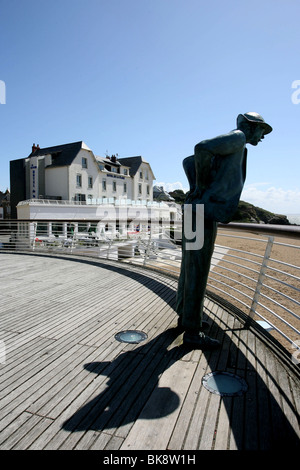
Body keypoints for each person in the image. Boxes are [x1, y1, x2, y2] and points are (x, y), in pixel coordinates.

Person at [176, 112, 272, 349]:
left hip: (195, 212)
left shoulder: (238, 144)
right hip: (203, 214)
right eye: (262, 130)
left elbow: (188, 162)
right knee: (197, 271)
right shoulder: (238, 138)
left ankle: (187, 318)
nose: (263, 136)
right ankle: (192, 332)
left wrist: (198, 188)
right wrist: (201, 187)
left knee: (189, 268)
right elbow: (201, 148)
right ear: (252, 127)